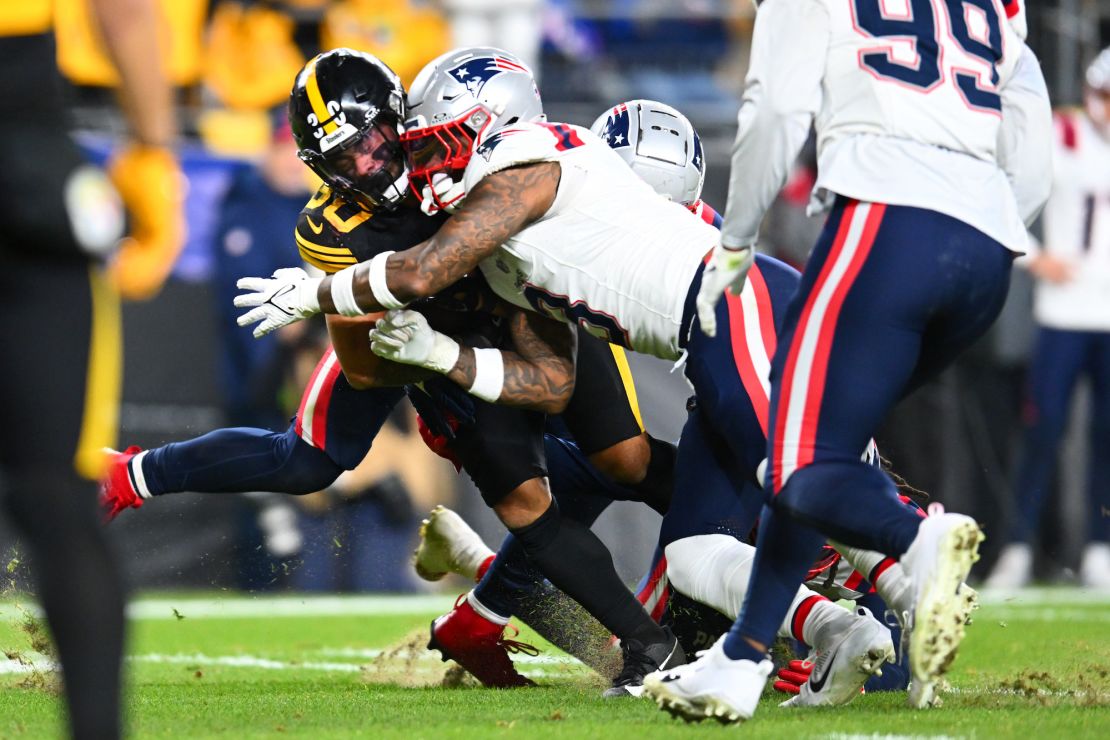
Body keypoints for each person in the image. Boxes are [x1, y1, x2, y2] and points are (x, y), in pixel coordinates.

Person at [105, 48, 685, 695]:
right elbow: (361, 364)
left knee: (625, 459)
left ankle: (771, 546)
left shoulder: (448, 146)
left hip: (537, 306)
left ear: (399, 120)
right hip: (433, 345)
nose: (368, 165)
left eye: (375, 143)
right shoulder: (331, 225)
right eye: (345, 158)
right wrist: (430, 370)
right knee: (342, 466)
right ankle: (645, 644)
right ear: (320, 169)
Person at [640, 0, 1052, 722]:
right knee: (817, 450)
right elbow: (1033, 155)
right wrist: (984, 227)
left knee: (796, 463)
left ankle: (917, 544)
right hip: (986, 250)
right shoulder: (990, 10)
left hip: (885, 220)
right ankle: (742, 660)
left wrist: (735, 241)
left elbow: (772, 114)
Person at [0, 0, 183, 737]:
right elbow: (127, 12)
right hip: (25, 177)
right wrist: (151, 150)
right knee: (56, 502)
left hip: (27, 175)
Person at [986, 48, 1110, 591]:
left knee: (1106, 439)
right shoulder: (1060, 134)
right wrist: (1036, 257)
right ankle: (1016, 547)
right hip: (1061, 314)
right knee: (1042, 432)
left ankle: (1100, 549)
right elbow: (1004, 193)